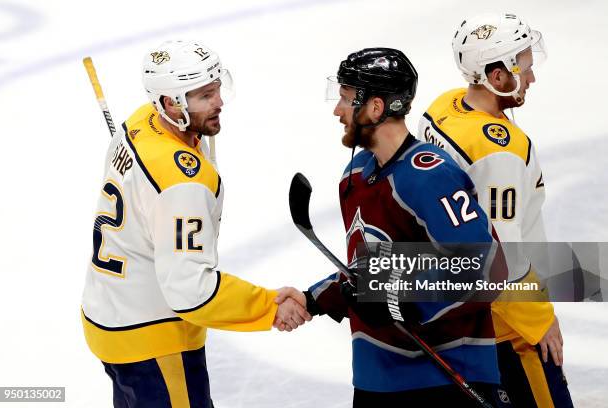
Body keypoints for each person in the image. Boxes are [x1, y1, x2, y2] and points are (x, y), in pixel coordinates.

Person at [81, 40, 310, 408]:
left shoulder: (142, 120)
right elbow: (192, 290)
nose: (218, 101)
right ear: (171, 103)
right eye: (205, 95)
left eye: (218, 88)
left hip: (110, 312)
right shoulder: (181, 184)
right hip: (152, 339)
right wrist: (269, 307)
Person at [279, 47, 508, 407]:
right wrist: (312, 298)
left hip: (444, 376)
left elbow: (487, 268)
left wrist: (403, 297)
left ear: (375, 108)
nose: (337, 110)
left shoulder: (429, 175)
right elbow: (370, 271)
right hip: (377, 380)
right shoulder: (354, 177)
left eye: (345, 98)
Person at [419, 13, 574, 407]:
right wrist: (539, 321)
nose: (531, 77)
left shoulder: (444, 107)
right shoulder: (499, 151)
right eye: (522, 66)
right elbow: (500, 255)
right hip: (506, 326)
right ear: (496, 75)